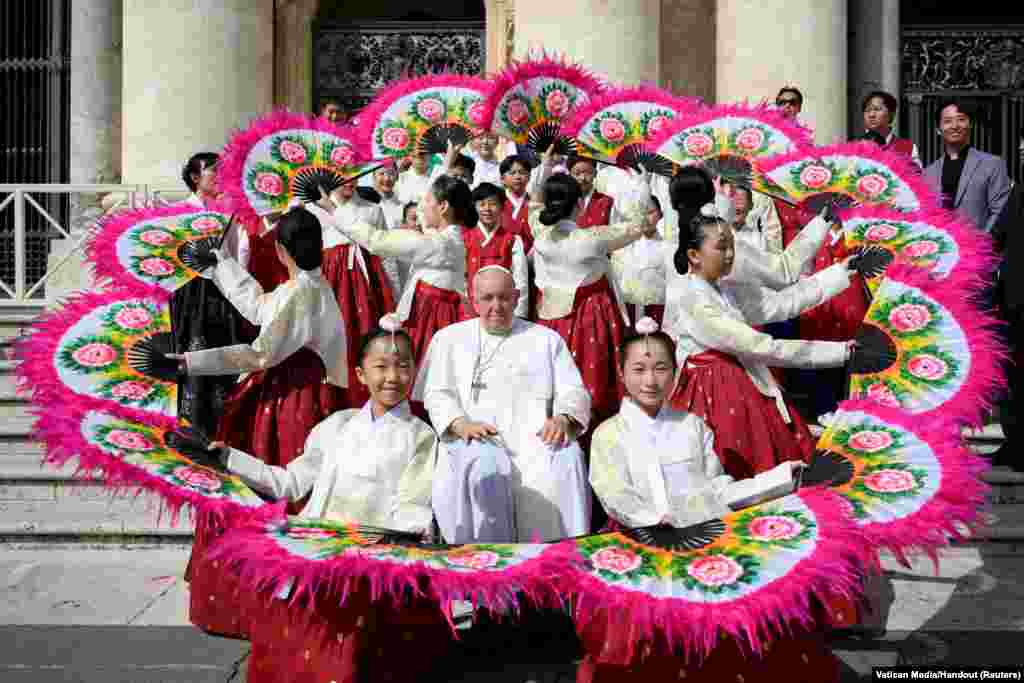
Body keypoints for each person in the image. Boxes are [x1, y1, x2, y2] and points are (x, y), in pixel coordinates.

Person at [199, 326, 450, 683]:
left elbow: (412, 507)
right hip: (312, 554)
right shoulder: (337, 425)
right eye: (382, 366)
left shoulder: (421, 436)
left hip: (370, 565)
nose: (393, 377)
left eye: (403, 366)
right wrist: (228, 458)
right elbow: (288, 482)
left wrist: (389, 548)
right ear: (361, 374)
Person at [172, 207, 348, 638]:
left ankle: (264, 602)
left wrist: (191, 361)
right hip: (304, 395)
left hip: (288, 400)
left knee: (269, 487)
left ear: (282, 249)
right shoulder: (313, 287)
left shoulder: (301, 293)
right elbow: (262, 306)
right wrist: (222, 266)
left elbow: (258, 352)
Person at [665, 204, 858, 480]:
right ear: (694, 255)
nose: (731, 255)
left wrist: (840, 272)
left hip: (742, 382)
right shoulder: (692, 300)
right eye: (722, 247)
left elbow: (783, 303)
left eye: (732, 245)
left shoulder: (726, 289)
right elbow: (764, 346)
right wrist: (840, 353)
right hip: (713, 396)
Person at [417, 266, 592, 542]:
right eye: (487, 298)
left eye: (504, 297)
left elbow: (574, 390)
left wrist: (562, 418)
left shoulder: (546, 340)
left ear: (517, 297)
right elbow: (436, 393)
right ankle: (488, 568)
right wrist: (459, 424)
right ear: (473, 300)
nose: (496, 306)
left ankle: (560, 560)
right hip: (473, 441)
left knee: (567, 456)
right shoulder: (448, 339)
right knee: (487, 463)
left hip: (534, 445)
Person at [530, 168, 657, 448]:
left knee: (556, 381)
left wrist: (544, 166)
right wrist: (641, 185)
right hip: (590, 315)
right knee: (594, 381)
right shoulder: (591, 238)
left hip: (551, 319)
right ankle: (596, 441)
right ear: (578, 204)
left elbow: (533, 206)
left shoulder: (541, 236)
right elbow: (638, 226)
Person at [318, 176, 471, 370]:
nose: (422, 207)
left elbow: (376, 240)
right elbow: (429, 218)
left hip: (430, 323)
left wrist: (334, 210)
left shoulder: (436, 245)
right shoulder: (447, 239)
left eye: (428, 201)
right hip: (436, 319)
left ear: (443, 207)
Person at [171, 153, 252, 435]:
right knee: (192, 354)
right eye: (213, 171)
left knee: (222, 357)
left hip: (223, 292)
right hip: (191, 295)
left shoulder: (226, 213)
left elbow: (237, 252)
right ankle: (191, 428)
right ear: (195, 178)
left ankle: (221, 431)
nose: (220, 176)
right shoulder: (179, 212)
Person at [306, 179, 399, 407]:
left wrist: (395, 295)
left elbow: (386, 254)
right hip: (331, 286)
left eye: (354, 172)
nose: (349, 179)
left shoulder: (372, 209)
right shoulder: (312, 210)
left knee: (368, 343)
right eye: (341, 173)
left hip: (368, 289)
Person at [924, 99, 1011, 233]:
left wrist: (981, 244)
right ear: (938, 130)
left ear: (970, 125)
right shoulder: (928, 173)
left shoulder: (993, 164)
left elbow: (1000, 211)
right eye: (947, 121)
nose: (955, 125)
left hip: (979, 248)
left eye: (961, 119)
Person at [462, 182, 529, 319]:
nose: (487, 209)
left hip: (501, 309)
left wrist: (519, 314)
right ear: (475, 207)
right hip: (470, 308)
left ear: (502, 207)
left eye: (492, 204)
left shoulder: (513, 241)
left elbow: (520, 280)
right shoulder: (464, 239)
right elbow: (460, 278)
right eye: (481, 204)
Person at [610, 195, 670, 327]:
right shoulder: (622, 248)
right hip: (628, 311)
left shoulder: (668, 249)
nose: (645, 219)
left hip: (656, 312)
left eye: (650, 212)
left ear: (660, 214)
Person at [859, 90, 921, 167]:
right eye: (867, 110)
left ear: (892, 114)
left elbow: (916, 176)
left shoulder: (908, 148)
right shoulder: (854, 146)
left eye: (877, 109)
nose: (871, 115)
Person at [499, 153, 536, 253]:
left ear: (529, 177)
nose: (518, 177)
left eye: (522, 172)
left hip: (529, 258)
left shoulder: (535, 204)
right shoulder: (496, 203)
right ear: (502, 179)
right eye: (512, 173)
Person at [568, 156, 615, 228]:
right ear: (570, 176)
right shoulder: (563, 201)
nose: (582, 178)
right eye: (577, 173)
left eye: (587, 173)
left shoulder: (608, 202)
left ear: (595, 173)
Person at [372, 164, 405, 229]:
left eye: (391, 173)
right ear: (374, 177)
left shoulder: (403, 206)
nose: (387, 178)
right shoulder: (366, 203)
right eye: (381, 174)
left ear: (397, 176)